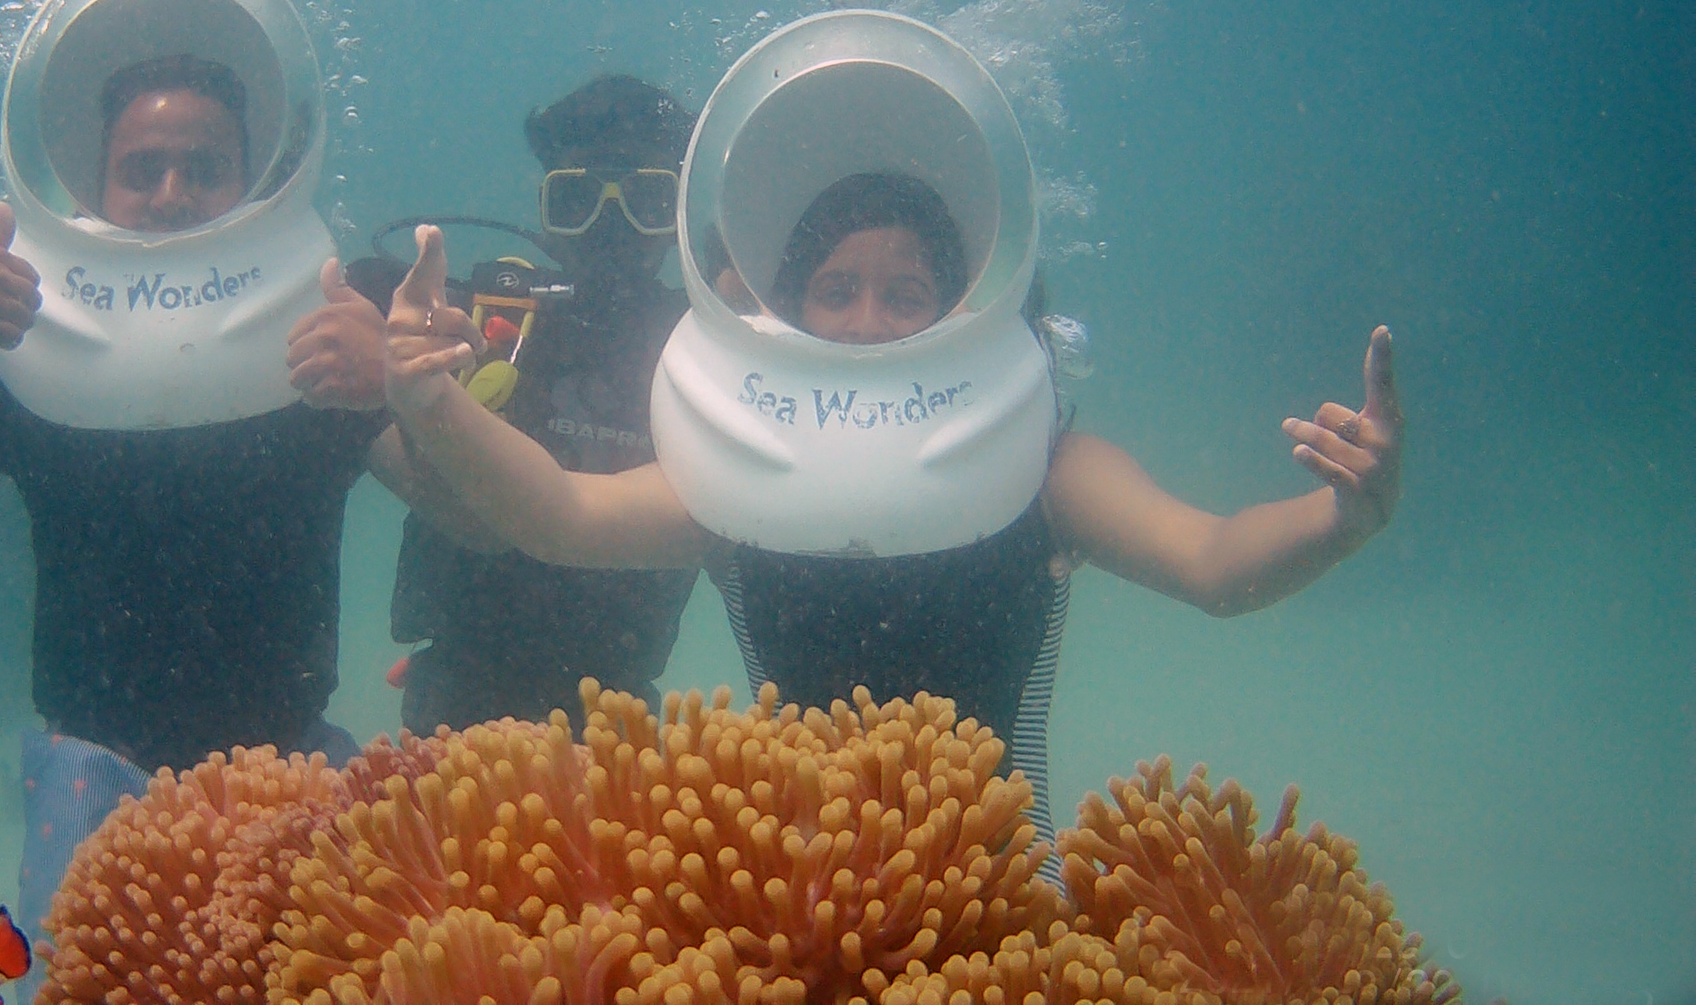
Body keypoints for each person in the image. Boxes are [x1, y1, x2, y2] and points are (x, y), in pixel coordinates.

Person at [381, 170, 1403, 764]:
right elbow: (562, 515)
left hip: (1000, 884)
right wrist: (428, 400)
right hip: (787, 886)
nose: (868, 320)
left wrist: (1339, 521)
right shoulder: (744, 472)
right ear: (788, 317)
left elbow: (1213, 563)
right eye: (835, 290)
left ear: (964, 315)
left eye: (905, 292)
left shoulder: (1045, 469)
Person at [0, 54, 393, 937]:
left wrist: (401, 385)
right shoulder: (34, 348)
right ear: (92, 191)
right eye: (141, 170)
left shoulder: (312, 343)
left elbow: (472, 513)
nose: (171, 193)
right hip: (87, 764)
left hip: (296, 756)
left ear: (256, 186)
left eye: (204, 168)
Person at [366, 75, 701, 731]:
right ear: (547, 207)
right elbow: (371, 292)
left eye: (648, 199)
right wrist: (369, 329)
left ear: (678, 214)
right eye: (578, 198)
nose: (614, 225)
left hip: (617, 699)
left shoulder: (706, 351)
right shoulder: (488, 316)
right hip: (455, 685)